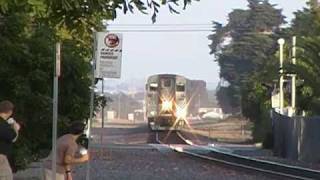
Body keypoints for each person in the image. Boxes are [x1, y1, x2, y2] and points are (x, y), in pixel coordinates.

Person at [0, 100, 20, 180]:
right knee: (6, 177)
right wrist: (15, 128)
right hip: (1, 156)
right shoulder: (2, 124)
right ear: (10, 111)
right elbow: (12, 137)